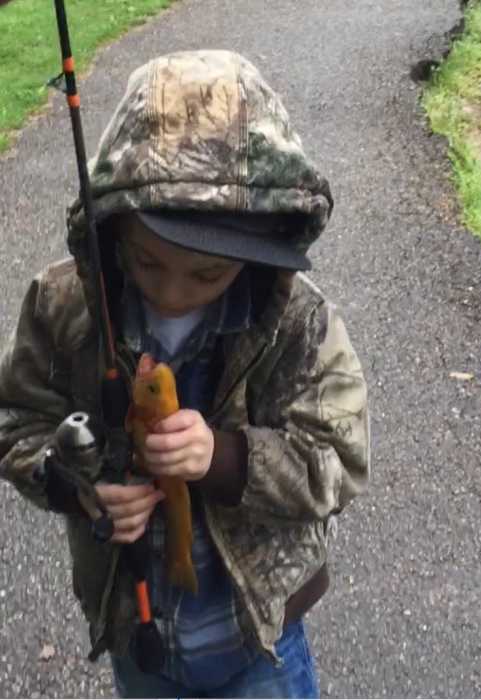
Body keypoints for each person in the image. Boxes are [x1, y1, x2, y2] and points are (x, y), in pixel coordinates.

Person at [0, 50, 369, 698]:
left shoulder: (297, 321)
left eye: (206, 275)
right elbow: (16, 419)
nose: (172, 293)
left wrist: (225, 457)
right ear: (111, 230)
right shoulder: (65, 306)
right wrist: (74, 485)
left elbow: (337, 459)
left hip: (259, 644)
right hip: (137, 633)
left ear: (260, 246)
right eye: (147, 263)